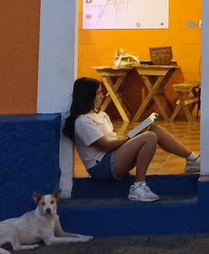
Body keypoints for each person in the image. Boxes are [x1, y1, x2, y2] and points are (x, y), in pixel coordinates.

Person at [63, 76, 201, 203]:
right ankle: (138, 187)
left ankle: (192, 160)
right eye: (98, 93)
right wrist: (130, 137)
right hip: (102, 166)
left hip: (113, 157)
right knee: (149, 137)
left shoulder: (101, 115)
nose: (102, 96)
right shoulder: (83, 121)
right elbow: (106, 146)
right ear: (88, 97)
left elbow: (113, 140)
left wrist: (133, 136)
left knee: (155, 130)